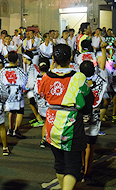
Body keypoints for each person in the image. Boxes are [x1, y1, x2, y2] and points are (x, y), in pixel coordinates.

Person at [39, 44, 94, 190]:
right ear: (71, 58)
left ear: (53, 58)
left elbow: (42, 95)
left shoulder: (45, 77)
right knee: (73, 166)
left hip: (52, 123)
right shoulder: (78, 77)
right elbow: (88, 101)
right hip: (71, 124)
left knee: (60, 163)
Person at [0, 51, 28, 139]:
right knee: (19, 111)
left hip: (8, 93)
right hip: (17, 93)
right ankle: (16, 130)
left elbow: (0, 81)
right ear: (17, 60)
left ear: (8, 59)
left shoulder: (3, 70)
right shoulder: (19, 70)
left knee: (11, 111)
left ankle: (10, 129)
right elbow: (24, 81)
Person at [23, 51, 44, 128]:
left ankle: (39, 119)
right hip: (34, 88)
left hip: (34, 89)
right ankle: (38, 116)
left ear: (26, 58)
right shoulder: (32, 66)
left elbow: (31, 80)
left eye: (23, 58)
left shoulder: (32, 67)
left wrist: (26, 87)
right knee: (33, 103)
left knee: (32, 103)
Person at [33, 58, 50, 149]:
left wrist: (38, 101)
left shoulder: (38, 78)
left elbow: (35, 92)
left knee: (46, 121)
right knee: (49, 122)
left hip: (41, 104)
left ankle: (43, 139)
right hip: (49, 103)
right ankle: (45, 139)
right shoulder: (50, 78)